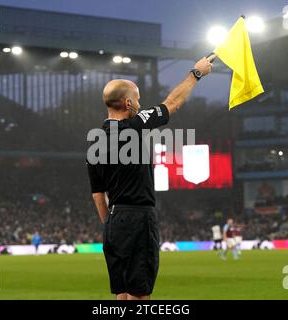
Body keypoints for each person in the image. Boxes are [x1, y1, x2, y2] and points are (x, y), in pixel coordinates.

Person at [87, 56, 214, 300]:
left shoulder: (94, 140)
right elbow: (172, 103)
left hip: (114, 221)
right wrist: (195, 74)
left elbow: (97, 194)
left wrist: (111, 224)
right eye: (137, 99)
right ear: (127, 103)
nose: (140, 104)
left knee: (122, 293)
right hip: (138, 217)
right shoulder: (133, 126)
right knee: (140, 294)